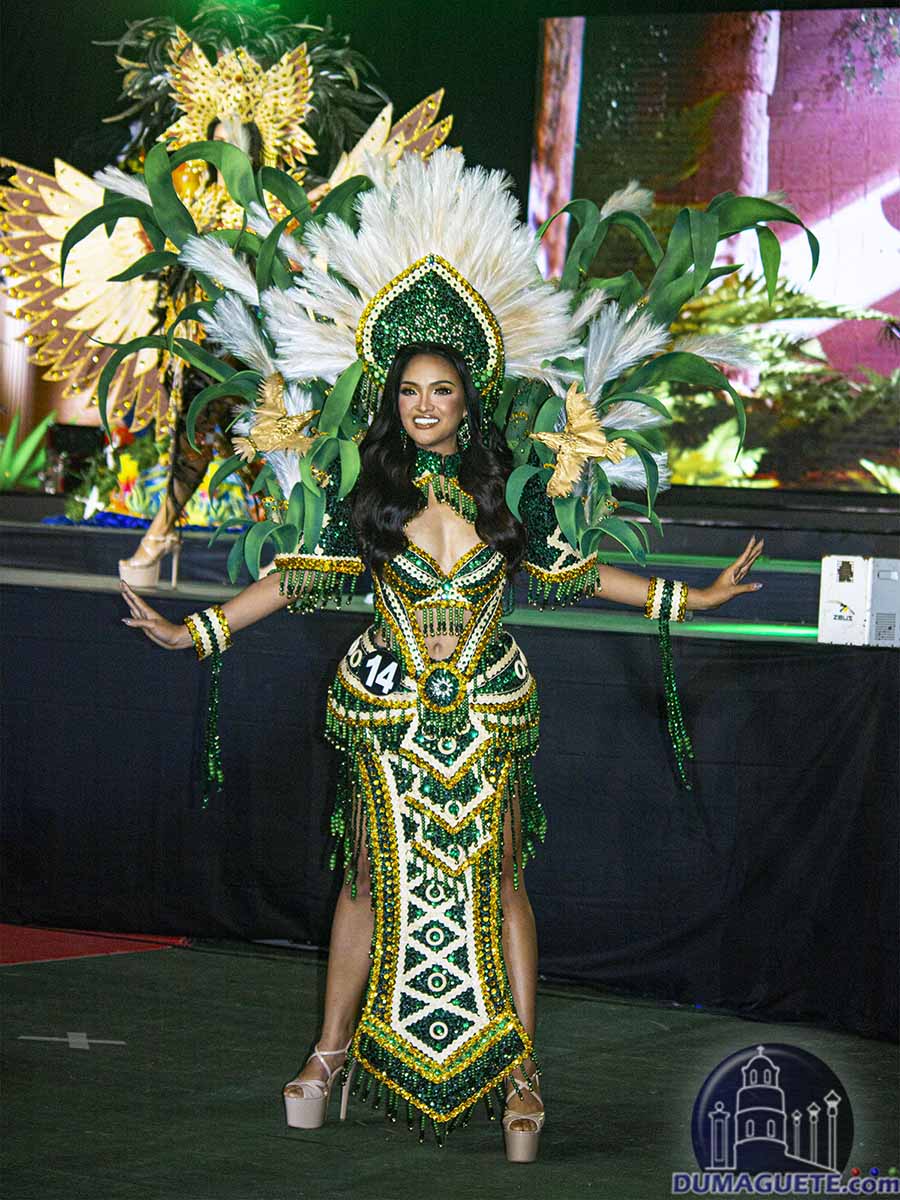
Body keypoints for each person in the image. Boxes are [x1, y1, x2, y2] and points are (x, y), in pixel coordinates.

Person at [120, 339, 764, 1161]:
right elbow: (295, 576)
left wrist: (692, 598)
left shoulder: (511, 488)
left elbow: (579, 574)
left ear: (468, 400)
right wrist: (197, 631)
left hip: (486, 708)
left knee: (502, 876)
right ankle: (328, 1054)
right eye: (410, 391)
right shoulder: (367, 487)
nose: (424, 406)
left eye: (442, 391)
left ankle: (521, 1074)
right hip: (388, 707)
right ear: (392, 400)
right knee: (366, 873)